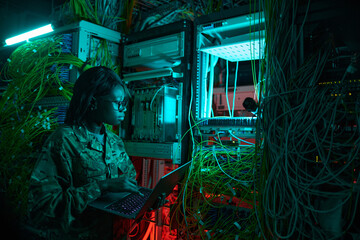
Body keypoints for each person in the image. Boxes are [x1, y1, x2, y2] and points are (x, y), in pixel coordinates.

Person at [27, 66, 142, 240]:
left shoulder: (114, 141)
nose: (124, 109)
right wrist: (101, 187)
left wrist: (144, 199)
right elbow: (42, 208)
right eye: (119, 103)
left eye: (124, 103)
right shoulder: (63, 140)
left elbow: (127, 184)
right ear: (93, 102)